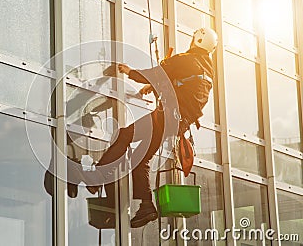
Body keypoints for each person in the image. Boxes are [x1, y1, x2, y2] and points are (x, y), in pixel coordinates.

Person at [90, 27, 218, 228]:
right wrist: (156, 86)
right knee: (140, 159)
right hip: (176, 123)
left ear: (196, 41)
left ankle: (98, 176)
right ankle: (147, 206)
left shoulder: (185, 59)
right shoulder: (207, 69)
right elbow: (183, 85)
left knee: (123, 136)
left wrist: (130, 72)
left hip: (164, 117)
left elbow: (157, 73)